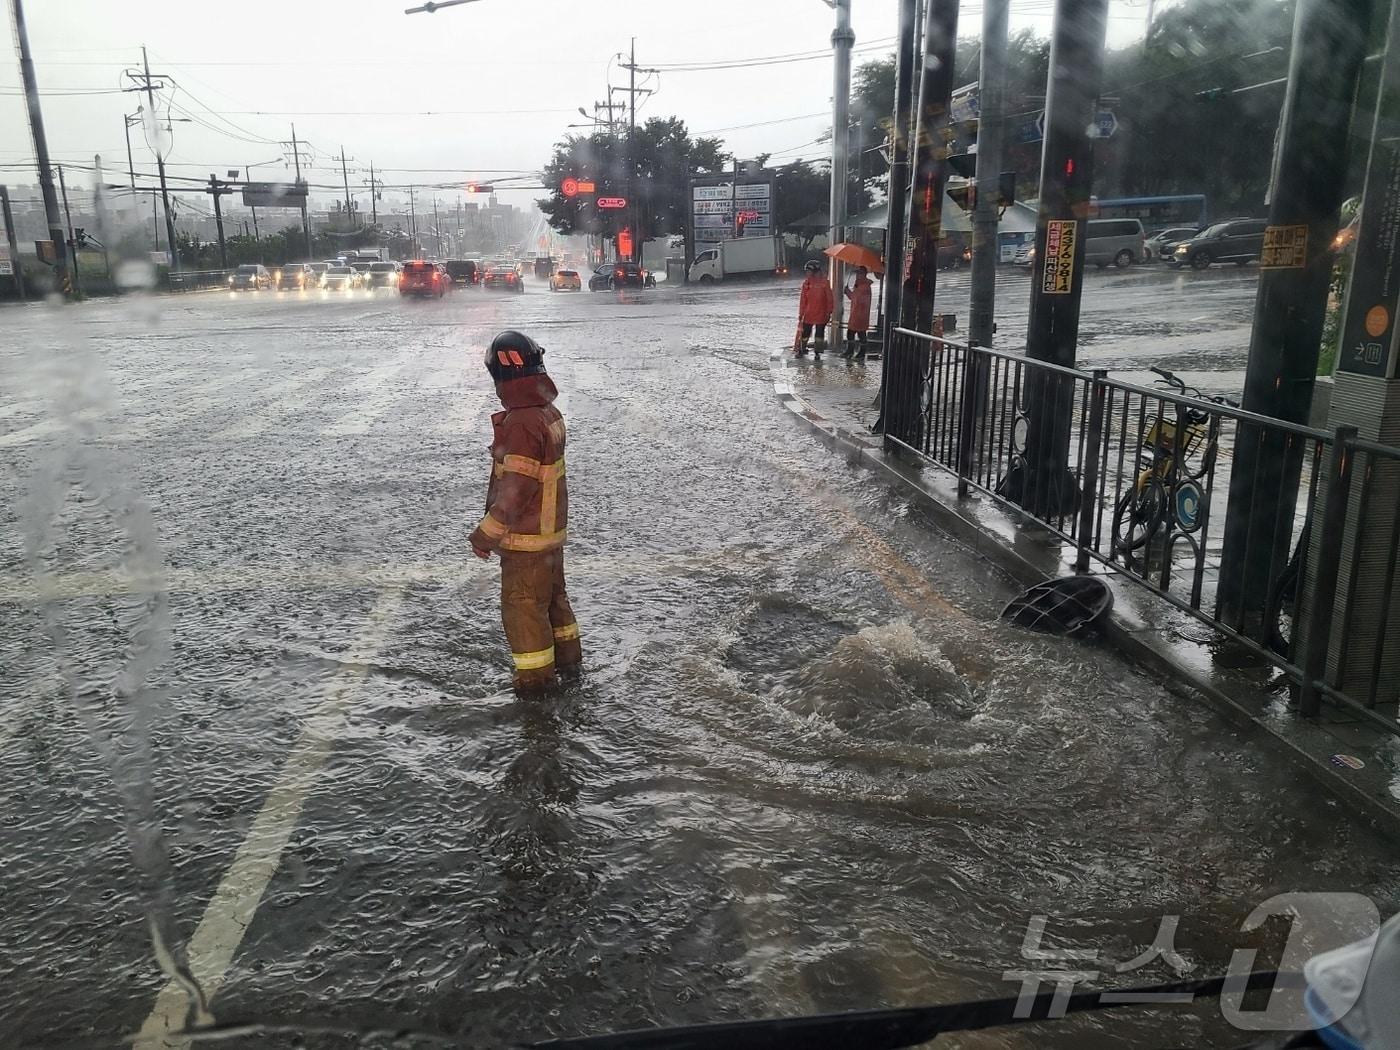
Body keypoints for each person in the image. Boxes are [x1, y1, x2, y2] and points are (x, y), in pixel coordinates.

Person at [469, 330, 582, 689]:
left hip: (526, 541)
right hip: (549, 538)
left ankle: (535, 687)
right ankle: (569, 666)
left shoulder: (522, 424)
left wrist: (485, 534)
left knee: (523, 609)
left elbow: (515, 491)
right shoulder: (548, 412)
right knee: (554, 602)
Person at [796, 259, 834, 356]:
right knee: (806, 333)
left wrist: (829, 312)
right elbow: (803, 300)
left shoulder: (824, 283)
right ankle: (802, 349)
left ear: (814, 271)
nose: (807, 273)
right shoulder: (807, 283)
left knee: (819, 334)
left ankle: (817, 352)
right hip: (809, 314)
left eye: (808, 271)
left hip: (820, 313)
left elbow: (829, 299)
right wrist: (801, 314)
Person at [842, 265, 874, 360]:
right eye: (857, 273)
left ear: (864, 274)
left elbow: (855, 298)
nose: (857, 275)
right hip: (858, 312)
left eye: (859, 273)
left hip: (860, 313)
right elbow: (854, 298)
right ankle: (855, 352)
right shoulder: (860, 285)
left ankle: (856, 352)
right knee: (858, 332)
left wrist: (847, 292)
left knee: (854, 333)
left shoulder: (864, 286)